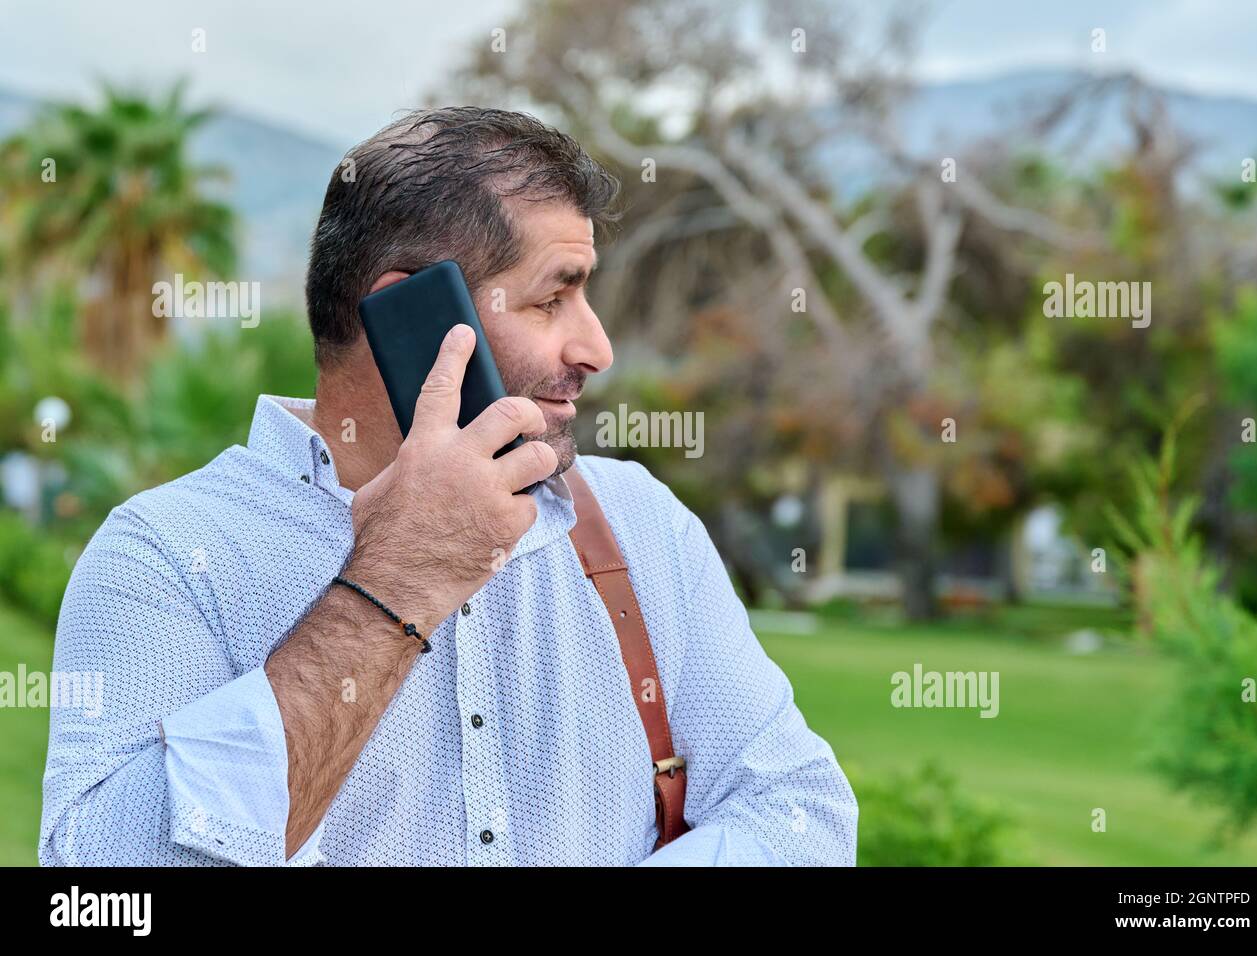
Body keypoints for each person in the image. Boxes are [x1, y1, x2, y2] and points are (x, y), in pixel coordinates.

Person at [39, 106, 858, 866]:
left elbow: (799, 812)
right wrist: (397, 579)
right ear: (412, 316)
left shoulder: (642, 525)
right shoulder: (168, 557)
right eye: (553, 297)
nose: (597, 348)